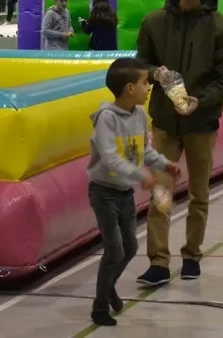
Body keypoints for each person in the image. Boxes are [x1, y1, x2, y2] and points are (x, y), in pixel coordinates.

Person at [135, 0, 223, 285]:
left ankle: (192, 255)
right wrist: (154, 73)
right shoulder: (153, 22)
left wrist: (201, 101)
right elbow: (141, 62)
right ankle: (158, 262)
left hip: (202, 124)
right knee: (161, 195)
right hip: (165, 123)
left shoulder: (221, 28)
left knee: (199, 194)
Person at [85, 57, 182, 326]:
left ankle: (108, 287)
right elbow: (110, 158)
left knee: (130, 247)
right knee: (114, 251)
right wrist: (142, 176)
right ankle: (99, 306)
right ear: (129, 88)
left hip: (124, 192)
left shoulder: (139, 114)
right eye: (145, 82)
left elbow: (144, 150)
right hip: (103, 193)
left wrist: (164, 164)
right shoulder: (107, 118)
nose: (149, 87)